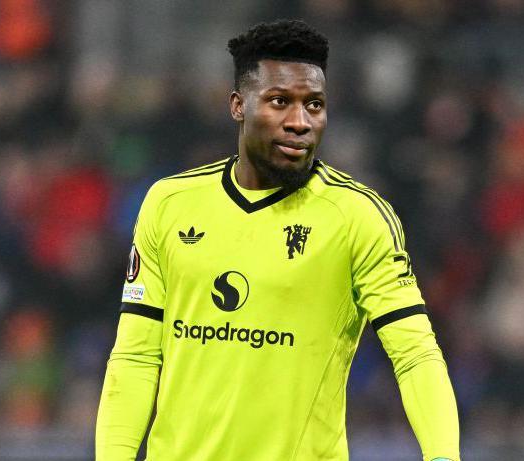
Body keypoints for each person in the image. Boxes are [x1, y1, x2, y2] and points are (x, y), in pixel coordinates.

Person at [96, 19, 460, 461]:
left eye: (315, 105)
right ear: (237, 106)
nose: (300, 122)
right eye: (280, 102)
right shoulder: (169, 204)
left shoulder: (357, 217)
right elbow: (135, 356)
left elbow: (415, 354)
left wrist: (443, 456)